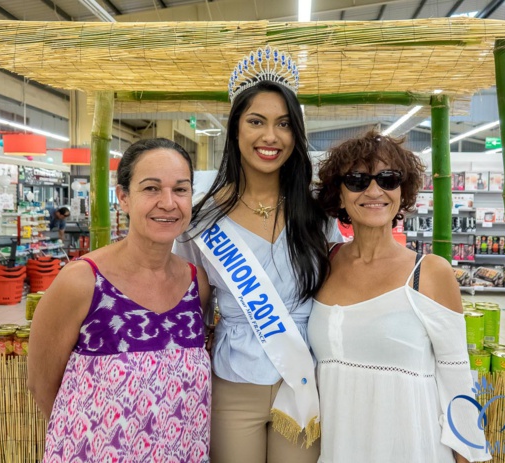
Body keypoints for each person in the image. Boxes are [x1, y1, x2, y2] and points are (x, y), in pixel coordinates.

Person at [174, 46, 340, 463]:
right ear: (234, 131)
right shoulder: (201, 218)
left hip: (304, 382)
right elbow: (191, 307)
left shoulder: (318, 214)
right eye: (256, 122)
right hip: (232, 381)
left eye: (284, 124)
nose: (271, 136)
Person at [309, 130, 490, 463]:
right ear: (340, 193)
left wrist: (469, 457)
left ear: (402, 191)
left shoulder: (430, 273)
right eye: (358, 179)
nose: (374, 190)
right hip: (339, 449)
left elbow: (457, 382)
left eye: (388, 179)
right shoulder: (324, 262)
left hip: (413, 448)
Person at [28, 138, 212, 462]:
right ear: (124, 197)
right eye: (151, 188)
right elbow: (42, 383)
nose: (168, 203)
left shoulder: (196, 284)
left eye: (180, 190)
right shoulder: (82, 281)